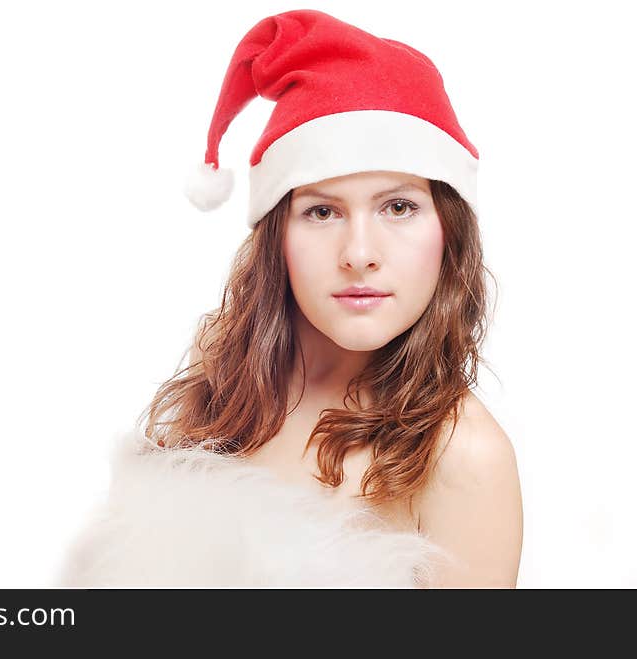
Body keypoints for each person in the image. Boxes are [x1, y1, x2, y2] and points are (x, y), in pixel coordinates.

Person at [55, 8, 523, 588]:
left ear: (449, 229)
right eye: (321, 211)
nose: (359, 252)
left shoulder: (462, 455)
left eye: (398, 207)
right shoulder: (223, 376)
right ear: (277, 236)